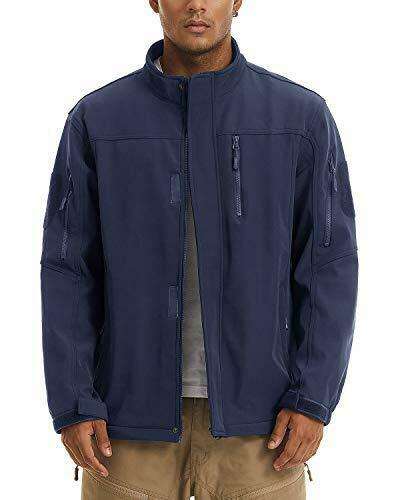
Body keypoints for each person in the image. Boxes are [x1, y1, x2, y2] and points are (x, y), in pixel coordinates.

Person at [40, 1, 358, 498]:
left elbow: (328, 265)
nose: (195, 4)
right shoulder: (97, 120)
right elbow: (68, 269)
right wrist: (74, 401)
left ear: (237, 1)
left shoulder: (300, 118)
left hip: (265, 427)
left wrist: (313, 398)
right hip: (123, 426)